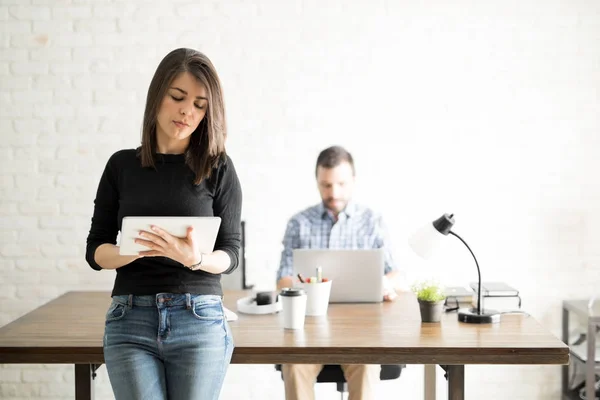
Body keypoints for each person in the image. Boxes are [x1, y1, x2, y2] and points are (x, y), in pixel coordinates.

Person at [85, 48, 242, 400]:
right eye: (177, 97)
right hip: (130, 319)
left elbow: (231, 252)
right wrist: (133, 250)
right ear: (158, 95)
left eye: (200, 105)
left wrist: (195, 259)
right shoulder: (120, 166)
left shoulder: (218, 167)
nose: (188, 111)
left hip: (198, 319)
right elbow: (95, 250)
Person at [276, 145, 400, 400]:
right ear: (317, 182)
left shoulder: (371, 220)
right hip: (308, 330)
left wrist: (384, 284)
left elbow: (395, 273)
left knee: (366, 366)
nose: (334, 193)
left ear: (353, 181)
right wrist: (306, 287)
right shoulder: (299, 223)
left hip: (362, 331)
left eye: (341, 184)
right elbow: (283, 280)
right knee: (294, 365)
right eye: (326, 185)